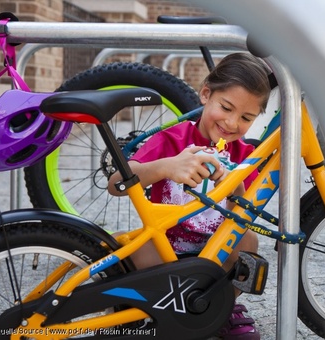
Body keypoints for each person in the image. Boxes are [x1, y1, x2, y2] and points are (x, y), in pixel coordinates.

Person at [108, 52, 272, 340]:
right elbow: (116, 183)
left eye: (246, 117)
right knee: (120, 252)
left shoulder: (246, 156)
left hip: (216, 256)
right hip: (163, 249)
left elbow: (244, 216)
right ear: (206, 93)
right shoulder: (171, 139)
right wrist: (166, 166)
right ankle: (145, 307)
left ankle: (222, 308)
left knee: (249, 243)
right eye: (226, 107)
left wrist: (234, 183)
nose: (232, 124)